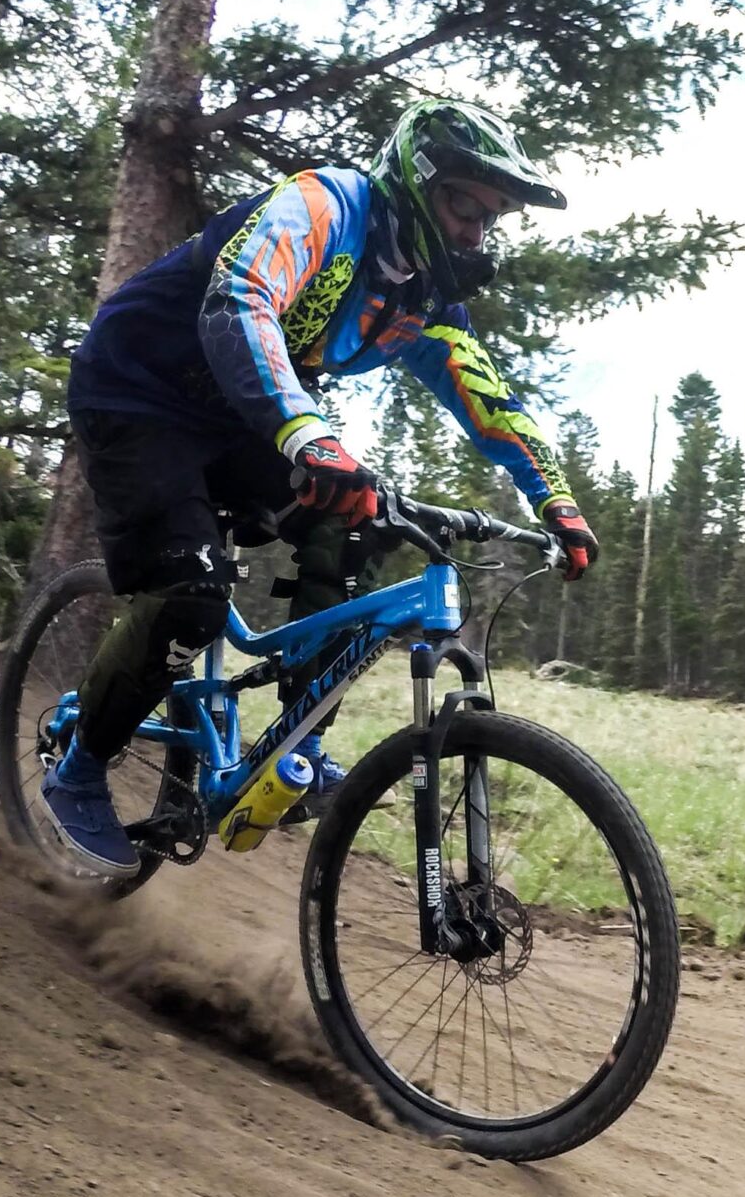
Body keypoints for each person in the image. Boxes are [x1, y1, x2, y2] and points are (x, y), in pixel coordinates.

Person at [40, 96, 599, 875]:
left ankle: (297, 743)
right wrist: (309, 435)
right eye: (463, 206)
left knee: (360, 522)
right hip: (136, 391)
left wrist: (557, 503)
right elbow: (240, 301)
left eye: (491, 216)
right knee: (194, 592)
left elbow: (490, 403)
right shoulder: (322, 207)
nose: (476, 230)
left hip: (235, 418)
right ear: (415, 181)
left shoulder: (424, 300)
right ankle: (79, 767)